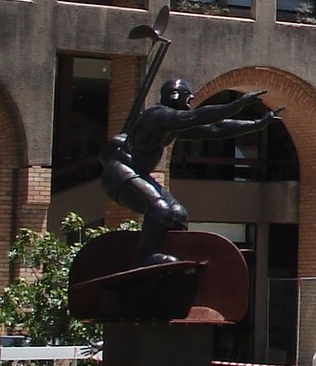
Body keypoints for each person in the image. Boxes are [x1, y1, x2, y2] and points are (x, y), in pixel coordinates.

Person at [101, 79, 282, 267]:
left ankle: (166, 253)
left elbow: (214, 128)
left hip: (137, 172)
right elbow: (197, 117)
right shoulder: (157, 117)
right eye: (188, 99)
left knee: (178, 215)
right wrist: (236, 105)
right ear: (177, 96)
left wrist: (256, 124)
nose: (189, 104)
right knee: (160, 211)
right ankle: (145, 258)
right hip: (120, 173)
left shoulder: (170, 125)